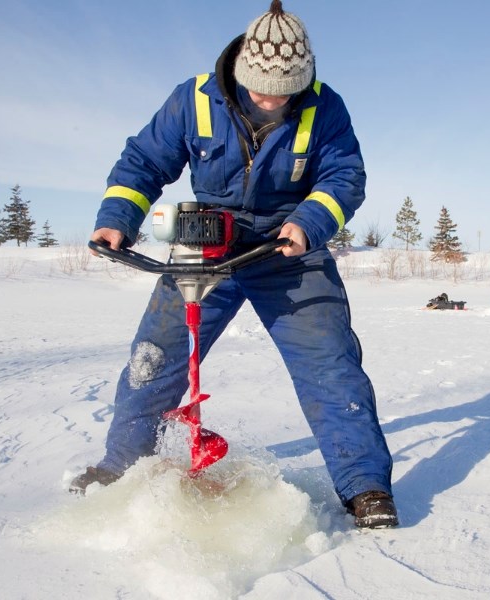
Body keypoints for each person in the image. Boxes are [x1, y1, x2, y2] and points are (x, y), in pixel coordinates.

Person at [71, 0, 398, 529]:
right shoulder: (194, 98)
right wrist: (117, 217)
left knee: (330, 365)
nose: (271, 99)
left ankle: (365, 485)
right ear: (241, 69)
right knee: (154, 359)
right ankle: (121, 468)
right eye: (260, 87)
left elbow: (344, 177)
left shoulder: (324, 107)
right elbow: (144, 160)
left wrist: (309, 221)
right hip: (208, 244)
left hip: (286, 250)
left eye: (284, 91)